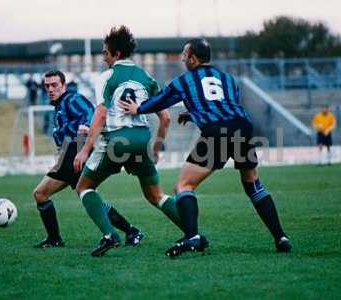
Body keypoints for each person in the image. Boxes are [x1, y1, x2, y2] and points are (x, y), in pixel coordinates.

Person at [119, 38, 292, 257]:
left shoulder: (186, 80)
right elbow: (223, 105)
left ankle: (192, 236)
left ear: (193, 58)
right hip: (242, 127)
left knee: (183, 186)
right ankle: (281, 237)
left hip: (216, 132)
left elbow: (164, 99)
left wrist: (139, 108)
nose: (182, 58)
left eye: (184, 54)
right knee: (253, 184)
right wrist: (194, 114)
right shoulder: (228, 79)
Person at [73, 26, 184, 257]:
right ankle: (192, 233)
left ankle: (109, 234)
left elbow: (101, 115)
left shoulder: (107, 77)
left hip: (116, 140)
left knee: (84, 187)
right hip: (141, 139)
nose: (103, 57)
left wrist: (84, 150)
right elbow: (165, 116)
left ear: (115, 53)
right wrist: (157, 145)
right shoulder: (147, 78)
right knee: (156, 195)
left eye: (105, 53)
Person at [32, 70, 144, 248]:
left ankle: (56, 239)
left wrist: (83, 130)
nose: (50, 89)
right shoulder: (60, 105)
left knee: (42, 193)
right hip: (70, 152)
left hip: (75, 151)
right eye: (47, 86)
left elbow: (90, 113)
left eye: (54, 85)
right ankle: (131, 231)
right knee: (84, 195)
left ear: (64, 86)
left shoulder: (71, 99)